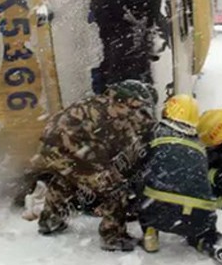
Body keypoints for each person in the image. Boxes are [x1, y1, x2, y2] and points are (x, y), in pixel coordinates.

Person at [139, 95, 222, 265]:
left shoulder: (154, 133)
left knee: (143, 191)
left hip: (159, 210)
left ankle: (150, 232)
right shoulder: (207, 132)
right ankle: (215, 244)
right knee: (201, 230)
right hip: (199, 210)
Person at [35, 79, 158, 251]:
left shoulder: (105, 104)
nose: (139, 111)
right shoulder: (109, 114)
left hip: (51, 147)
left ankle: (49, 221)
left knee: (67, 180)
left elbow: (136, 127)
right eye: (138, 106)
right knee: (114, 188)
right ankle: (113, 237)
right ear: (127, 101)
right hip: (68, 150)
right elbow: (121, 142)